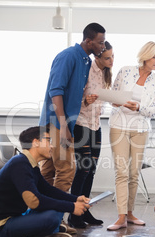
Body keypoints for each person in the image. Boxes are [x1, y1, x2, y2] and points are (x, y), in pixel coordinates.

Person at [0, 126, 91, 237]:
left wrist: (75, 199)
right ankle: (47, 232)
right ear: (36, 142)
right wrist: (72, 207)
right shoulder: (20, 164)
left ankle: (45, 233)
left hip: (15, 218)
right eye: (48, 140)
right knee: (52, 216)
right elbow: (34, 202)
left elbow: (48, 191)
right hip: (0, 230)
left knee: (57, 208)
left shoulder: (30, 164)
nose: (52, 146)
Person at [38, 22, 106, 192]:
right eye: (101, 42)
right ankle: (56, 215)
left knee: (48, 170)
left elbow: (74, 96)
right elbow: (56, 91)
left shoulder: (86, 61)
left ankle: (43, 214)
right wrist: (62, 126)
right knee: (66, 170)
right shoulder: (68, 56)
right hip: (56, 122)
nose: (103, 46)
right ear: (89, 41)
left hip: (64, 122)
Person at [107, 41, 155, 231]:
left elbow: (153, 111)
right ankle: (121, 217)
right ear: (145, 56)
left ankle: (130, 213)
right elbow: (113, 98)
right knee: (121, 172)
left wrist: (139, 107)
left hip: (141, 128)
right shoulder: (125, 71)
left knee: (133, 173)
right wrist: (118, 102)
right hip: (119, 126)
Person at [68, 41, 114, 228]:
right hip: (81, 123)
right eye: (107, 57)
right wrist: (84, 100)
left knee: (91, 169)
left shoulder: (105, 73)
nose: (111, 60)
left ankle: (85, 211)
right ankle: (74, 213)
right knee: (83, 169)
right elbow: (72, 96)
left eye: (112, 56)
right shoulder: (87, 69)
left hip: (95, 125)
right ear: (97, 57)